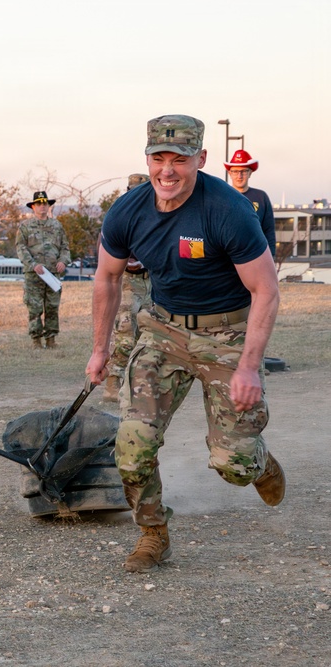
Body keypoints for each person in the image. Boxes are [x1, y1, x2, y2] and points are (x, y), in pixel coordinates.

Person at [86, 114, 284, 574]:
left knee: (233, 465)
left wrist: (249, 366)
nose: (168, 170)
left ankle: (259, 462)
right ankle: (153, 534)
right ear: (147, 159)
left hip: (228, 333)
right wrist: (99, 350)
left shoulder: (228, 210)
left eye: (180, 159)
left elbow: (266, 290)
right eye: (159, 158)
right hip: (164, 331)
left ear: (201, 158)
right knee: (132, 444)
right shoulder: (128, 210)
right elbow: (107, 279)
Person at [102, 174, 153, 402]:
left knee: (149, 335)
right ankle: (113, 384)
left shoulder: (157, 216)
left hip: (151, 282)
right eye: (134, 190)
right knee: (124, 335)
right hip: (127, 282)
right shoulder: (121, 215)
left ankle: (139, 383)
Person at [15, 191, 70, 348]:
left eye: (45, 204)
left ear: (48, 206)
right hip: (34, 274)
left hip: (52, 274)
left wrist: (63, 261)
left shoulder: (56, 226)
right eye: (38, 204)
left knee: (52, 306)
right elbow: (21, 249)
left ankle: (51, 339)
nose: (42, 207)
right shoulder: (25, 227)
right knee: (35, 307)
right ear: (33, 207)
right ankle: (36, 340)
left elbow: (65, 247)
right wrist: (33, 264)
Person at [225, 149, 276, 256]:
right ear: (229, 173)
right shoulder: (221, 196)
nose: (239, 176)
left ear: (250, 173)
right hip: (227, 259)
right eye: (235, 171)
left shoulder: (261, 197)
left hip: (256, 256)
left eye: (243, 171)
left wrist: (271, 257)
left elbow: (269, 231)